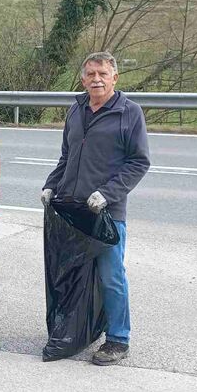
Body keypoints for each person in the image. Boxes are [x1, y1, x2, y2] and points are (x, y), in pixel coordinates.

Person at [41, 51, 150, 366]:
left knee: (110, 276)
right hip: (73, 210)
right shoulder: (76, 110)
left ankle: (118, 339)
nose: (97, 79)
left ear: (115, 77)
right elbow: (67, 156)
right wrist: (51, 184)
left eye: (103, 74)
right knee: (72, 275)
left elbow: (139, 162)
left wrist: (108, 194)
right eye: (91, 74)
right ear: (83, 78)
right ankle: (77, 330)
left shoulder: (129, 113)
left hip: (106, 214)